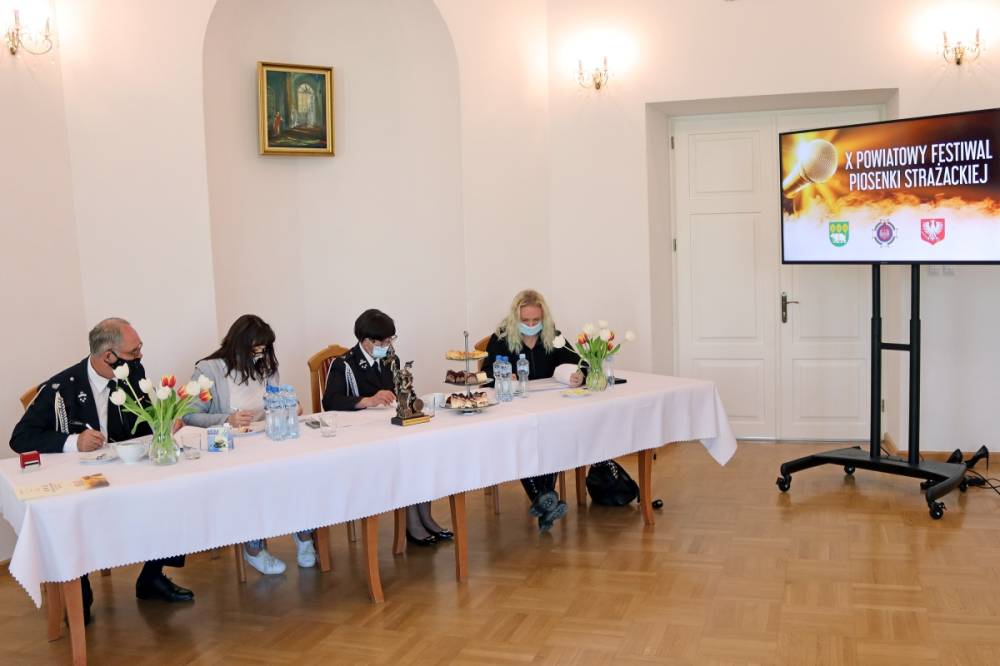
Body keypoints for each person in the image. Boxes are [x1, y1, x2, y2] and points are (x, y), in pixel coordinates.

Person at [10, 318, 194, 624]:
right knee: (71, 515)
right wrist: (73, 442)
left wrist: (163, 421)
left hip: (128, 473)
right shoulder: (60, 388)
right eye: (134, 352)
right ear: (109, 356)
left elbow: (144, 418)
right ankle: (78, 588)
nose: (140, 357)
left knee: (173, 491)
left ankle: (152, 576)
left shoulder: (133, 374)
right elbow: (20, 438)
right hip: (81, 482)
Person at [183, 314, 316, 575]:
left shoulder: (266, 367)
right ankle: (254, 547)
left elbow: (274, 399)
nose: (260, 354)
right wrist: (227, 419)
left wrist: (290, 406)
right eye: (255, 349)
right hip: (231, 447)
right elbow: (189, 414)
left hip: (268, 439)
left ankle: (304, 535)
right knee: (252, 482)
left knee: (299, 472)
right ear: (239, 344)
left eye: (264, 349)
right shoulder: (209, 371)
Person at [322, 309, 452, 546]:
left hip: (391, 427)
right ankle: (412, 523)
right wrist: (367, 401)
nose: (387, 346)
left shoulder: (391, 359)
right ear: (365, 340)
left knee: (420, 450)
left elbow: (402, 391)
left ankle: (426, 517)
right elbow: (330, 401)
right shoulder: (345, 364)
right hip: (362, 437)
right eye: (381, 342)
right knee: (404, 459)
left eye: (390, 340)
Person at [483, 290, 583, 532]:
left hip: (548, 409)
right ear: (514, 318)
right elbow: (485, 374)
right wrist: (503, 376)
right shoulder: (501, 338)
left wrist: (579, 375)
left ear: (543, 319)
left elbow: (581, 364)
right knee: (523, 444)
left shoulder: (553, 337)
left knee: (555, 439)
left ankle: (544, 502)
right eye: (525, 320)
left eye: (535, 320)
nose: (530, 325)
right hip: (514, 410)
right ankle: (546, 500)